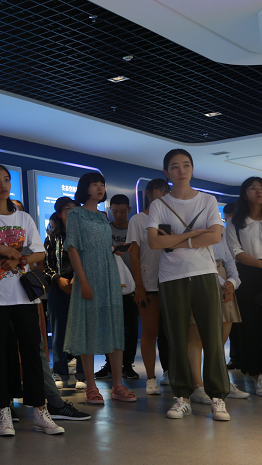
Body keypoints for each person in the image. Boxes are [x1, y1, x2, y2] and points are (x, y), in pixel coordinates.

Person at [0, 164, 64, 436]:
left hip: (25, 298)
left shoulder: (24, 218)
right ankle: (3, 411)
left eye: (6, 179)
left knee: (32, 356)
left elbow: (39, 253)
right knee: (0, 358)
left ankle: (40, 409)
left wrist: (19, 259)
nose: (3, 185)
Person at [146, 149, 228, 420]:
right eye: (174, 166)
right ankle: (182, 396)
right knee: (176, 338)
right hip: (171, 277)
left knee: (212, 336)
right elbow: (154, 242)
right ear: (166, 172)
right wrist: (195, 235)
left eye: (186, 165)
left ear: (192, 169)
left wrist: (178, 241)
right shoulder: (160, 204)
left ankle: (218, 397)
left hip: (204, 273)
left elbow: (214, 237)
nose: (181, 171)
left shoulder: (207, 200)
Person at [63, 172, 135, 405]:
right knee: (88, 328)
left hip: (109, 275)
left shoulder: (103, 216)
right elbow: (73, 248)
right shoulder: (75, 214)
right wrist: (83, 281)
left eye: (102, 184)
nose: (100, 187)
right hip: (89, 275)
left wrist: (115, 249)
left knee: (114, 327)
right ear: (85, 187)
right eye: (95, 184)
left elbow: (101, 245)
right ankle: (91, 387)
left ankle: (117, 385)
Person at [187, 233, 249, 404]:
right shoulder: (194, 230)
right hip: (200, 277)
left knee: (220, 340)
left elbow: (229, 259)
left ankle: (221, 383)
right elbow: (194, 259)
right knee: (196, 338)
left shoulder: (220, 232)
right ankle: (197, 386)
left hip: (224, 280)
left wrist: (233, 282)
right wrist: (222, 283)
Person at [127, 178, 170, 396]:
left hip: (172, 282)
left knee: (173, 333)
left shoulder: (171, 218)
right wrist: (139, 286)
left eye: (166, 191)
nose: (163, 195)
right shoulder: (138, 220)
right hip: (149, 283)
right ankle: (151, 378)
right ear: (148, 193)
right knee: (150, 332)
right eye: (159, 191)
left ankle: (171, 372)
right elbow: (134, 256)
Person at [97, 194, 140, 380]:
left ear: (129, 210)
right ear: (110, 210)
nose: (118, 215)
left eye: (122, 211)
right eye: (115, 211)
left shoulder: (135, 229)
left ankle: (127, 365)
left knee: (131, 328)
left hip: (132, 287)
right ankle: (109, 365)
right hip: (109, 285)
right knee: (109, 328)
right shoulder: (105, 229)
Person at [44, 197, 86, 389]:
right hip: (58, 287)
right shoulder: (53, 238)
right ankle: (60, 372)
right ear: (59, 214)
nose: (72, 211)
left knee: (81, 331)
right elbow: (46, 265)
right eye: (67, 208)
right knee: (59, 331)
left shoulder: (85, 236)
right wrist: (57, 279)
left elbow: (90, 260)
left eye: (75, 208)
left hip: (81, 285)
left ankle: (82, 375)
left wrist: (79, 277)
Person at [226, 176, 262, 396]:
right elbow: (235, 251)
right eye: (253, 188)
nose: (259, 191)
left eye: (261, 187)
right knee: (251, 325)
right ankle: (258, 375)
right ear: (244, 193)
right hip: (247, 275)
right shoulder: (234, 222)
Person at [222, 203, 243, 370]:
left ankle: (239, 357)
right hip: (230, 278)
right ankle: (236, 357)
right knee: (233, 322)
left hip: (238, 276)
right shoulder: (223, 232)